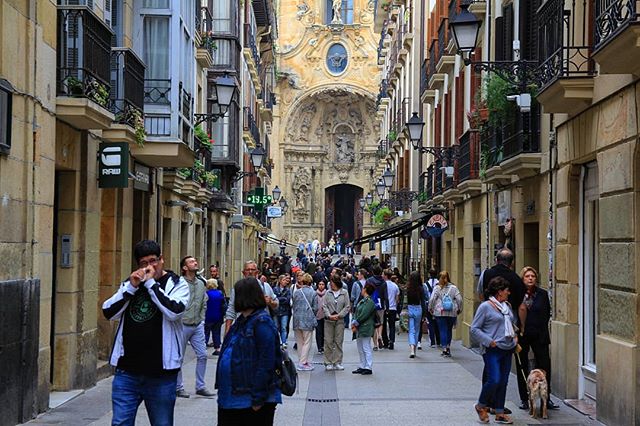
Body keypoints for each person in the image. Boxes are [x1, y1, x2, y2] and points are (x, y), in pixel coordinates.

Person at [102, 239, 189, 425]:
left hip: (161, 375)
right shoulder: (131, 284)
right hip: (128, 373)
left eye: (153, 261)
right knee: (120, 422)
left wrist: (150, 285)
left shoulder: (176, 283)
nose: (150, 267)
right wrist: (131, 288)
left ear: (162, 259)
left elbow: (174, 311)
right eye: (144, 263)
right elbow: (109, 311)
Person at [215, 278, 282, 425]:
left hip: (250, 400)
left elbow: (267, 362)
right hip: (231, 397)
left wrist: (258, 399)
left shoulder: (262, 323)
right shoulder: (241, 321)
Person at [471, 277, 517, 424]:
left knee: (503, 381)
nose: (509, 293)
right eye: (506, 290)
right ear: (499, 292)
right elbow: (474, 328)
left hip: (508, 348)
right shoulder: (485, 307)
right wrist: (489, 341)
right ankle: (481, 405)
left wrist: (515, 337)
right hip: (493, 349)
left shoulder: (506, 306)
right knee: (494, 379)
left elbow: (511, 324)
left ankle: (499, 412)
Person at [514, 267, 559, 411]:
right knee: (522, 366)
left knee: (544, 365)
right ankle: (524, 398)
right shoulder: (517, 295)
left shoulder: (542, 294)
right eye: (527, 276)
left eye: (533, 276)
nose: (530, 278)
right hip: (522, 335)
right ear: (522, 279)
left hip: (539, 335)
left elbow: (546, 313)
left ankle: (547, 398)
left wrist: (542, 331)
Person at [175, 256, 215, 398]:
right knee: (178, 357)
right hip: (182, 324)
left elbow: (204, 301)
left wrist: (202, 319)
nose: (195, 263)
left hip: (197, 324)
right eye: (191, 262)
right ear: (184, 268)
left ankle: (200, 386)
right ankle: (178, 387)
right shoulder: (179, 283)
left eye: (195, 261)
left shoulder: (201, 283)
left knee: (203, 355)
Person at [225, 261, 278, 333]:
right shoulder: (237, 289)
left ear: (257, 272)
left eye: (252, 270)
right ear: (243, 272)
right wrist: (227, 331)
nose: (250, 272)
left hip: (262, 328)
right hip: (243, 328)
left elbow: (276, 305)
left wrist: (271, 302)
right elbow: (231, 310)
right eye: (247, 270)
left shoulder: (265, 287)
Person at [428, 271, 462, 357]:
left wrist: (430, 308)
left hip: (440, 312)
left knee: (442, 330)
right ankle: (448, 346)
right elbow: (459, 299)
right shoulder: (454, 288)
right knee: (449, 330)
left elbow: (432, 299)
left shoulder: (437, 288)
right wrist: (459, 308)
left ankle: (444, 349)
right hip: (452, 311)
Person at [322, 272, 351, 370]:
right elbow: (324, 305)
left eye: (333, 282)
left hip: (340, 320)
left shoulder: (344, 292)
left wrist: (339, 315)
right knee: (328, 341)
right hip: (329, 321)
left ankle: (337, 361)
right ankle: (328, 362)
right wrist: (329, 315)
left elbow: (347, 306)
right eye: (331, 282)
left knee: (339, 341)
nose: (331, 284)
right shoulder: (327, 292)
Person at [292, 273, 318, 371]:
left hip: (297, 319)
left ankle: (302, 360)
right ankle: (302, 363)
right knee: (307, 342)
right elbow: (315, 308)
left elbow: (294, 305)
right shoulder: (313, 293)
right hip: (307, 320)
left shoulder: (297, 292)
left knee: (299, 342)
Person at [351, 283, 376, 375]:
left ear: (365, 290)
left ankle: (368, 366)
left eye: (363, 288)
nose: (361, 290)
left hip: (365, 327)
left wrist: (355, 322)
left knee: (366, 347)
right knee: (361, 347)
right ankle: (362, 365)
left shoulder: (369, 302)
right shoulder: (364, 301)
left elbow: (364, 314)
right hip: (360, 327)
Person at [366, 265, 388, 350]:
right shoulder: (383, 282)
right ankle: (380, 335)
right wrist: (388, 307)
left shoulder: (369, 281)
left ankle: (375, 345)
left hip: (371, 304)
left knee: (373, 324)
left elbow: (366, 293)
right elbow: (386, 296)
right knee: (381, 322)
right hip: (380, 304)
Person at [418, 269, 440, 349]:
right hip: (438, 305)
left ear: (429, 275)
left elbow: (424, 296)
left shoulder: (425, 285)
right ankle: (439, 340)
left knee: (430, 323)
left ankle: (432, 342)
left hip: (428, 305)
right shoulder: (439, 284)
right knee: (438, 322)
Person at [406, 271, 425, 359]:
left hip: (410, 309)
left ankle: (412, 349)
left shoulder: (408, 288)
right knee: (417, 330)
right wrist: (424, 314)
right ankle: (415, 347)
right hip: (418, 309)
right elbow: (423, 302)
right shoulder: (421, 288)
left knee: (411, 330)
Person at [205, 279, 225, 356]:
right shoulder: (220, 294)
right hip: (218, 316)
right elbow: (224, 305)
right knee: (216, 332)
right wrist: (223, 314)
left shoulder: (206, 294)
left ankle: (203, 347)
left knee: (206, 332)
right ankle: (217, 348)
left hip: (208, 316)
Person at [272, 275, 292, 348]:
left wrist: (279, 299)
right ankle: (277, 341)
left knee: (284, 327)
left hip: (284, 311)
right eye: (283, 280)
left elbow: (287, 300)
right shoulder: (275, 289)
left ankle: (283, 341)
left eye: (285, 280)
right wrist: (282, 299)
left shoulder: (288, 290)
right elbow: (274, 299)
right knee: (276, 327)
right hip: (276, 311)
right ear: (280, 281)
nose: (285, 282)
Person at [384, 269, 400, 350]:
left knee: (383, 326)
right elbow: (397, 299)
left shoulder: (383, 285)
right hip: (393, 308)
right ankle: (392, 341)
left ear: (386, 276)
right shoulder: (395, 286)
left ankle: (385, 341)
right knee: (392, 326)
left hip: (384, 308)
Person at [315, 280, 327, 355]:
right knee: (318, 332)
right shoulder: (315, 294)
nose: (321, 286)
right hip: (317, 316)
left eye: (323, 284)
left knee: (325, 332)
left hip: (326, 316)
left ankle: (323, 346)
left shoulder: (327, 293)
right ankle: (319, 347)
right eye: (320, 284)